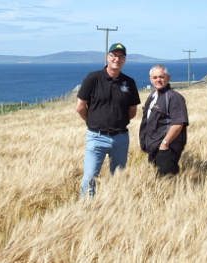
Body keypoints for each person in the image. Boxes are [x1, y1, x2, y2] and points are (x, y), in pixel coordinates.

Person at [76, 43, 141, 198]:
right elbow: (80, 107)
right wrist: (92, 122)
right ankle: (85, 208)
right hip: (96, 137)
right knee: (90, 177)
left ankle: (114, 205)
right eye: (114, 55)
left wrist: (118, 121)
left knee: (118, 177)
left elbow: (132, 111)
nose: (117, 59)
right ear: (108, 57)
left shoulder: (129, 82)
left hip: (120, 138)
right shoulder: (93, 78)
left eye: (121, 56)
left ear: (124, 60)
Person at [139, 64, 189, 177]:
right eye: (155, 77)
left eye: (161, 77)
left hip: (167, 149)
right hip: (153, 147)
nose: (158, 80)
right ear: (150, 80)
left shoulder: (174, 97)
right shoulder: (152, 96)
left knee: (168, 182)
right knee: (157, 183)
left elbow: (178, 123)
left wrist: (164, 144)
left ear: (168, 77)